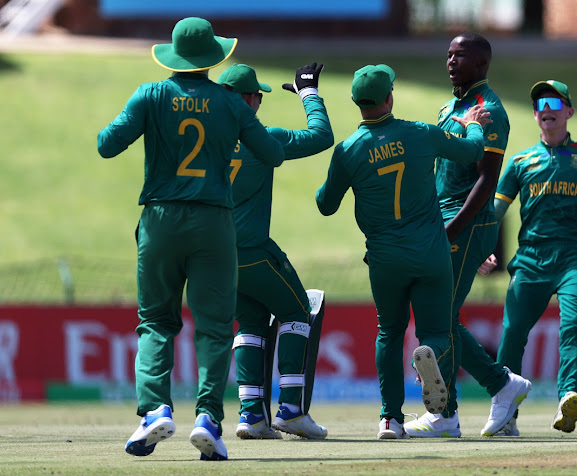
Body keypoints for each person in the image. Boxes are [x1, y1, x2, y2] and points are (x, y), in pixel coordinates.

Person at [97, 17, 284, 460]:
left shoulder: (151, 94)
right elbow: (272, 153)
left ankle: (154, 410)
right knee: (216, 327)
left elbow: (107, 144)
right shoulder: (231, 103)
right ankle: (208, 418)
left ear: (175, 56)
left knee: (156, 322)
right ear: (211, 58)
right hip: (215, 223)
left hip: (160, 219)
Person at [315, 64, 491, 440]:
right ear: (390, 96)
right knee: (437, 331)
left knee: (389, 333)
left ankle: (389, 420)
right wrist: (473, 121)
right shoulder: (420, 134)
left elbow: (325, 205)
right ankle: (430, 357)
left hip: (385, 259)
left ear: (355, 102)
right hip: (430, 253)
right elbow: (473, 150)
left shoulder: (348, 151)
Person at [478, 80, 577, 435]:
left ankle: (568, 396)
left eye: (555, 103)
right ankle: (505, 414)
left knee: (573, 326)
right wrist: (482, 248)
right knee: (512, 333)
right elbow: (495, 212)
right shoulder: (520, 161)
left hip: (574, 259)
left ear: (569, 112)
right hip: (529, 260)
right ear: (534, 115)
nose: (546, 109)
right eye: (540, 104)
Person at [404, 32, 531, 439]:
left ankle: (446, 416)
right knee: (440, 317)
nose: (450, 62)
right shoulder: (450, 107)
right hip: (441, 222)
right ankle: (501, 385)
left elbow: (487, 181)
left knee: (437, 319)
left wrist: (454, 229)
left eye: (460, 56)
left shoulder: (489, 110)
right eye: (448, 54)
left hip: (466, 223)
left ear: (482, 64)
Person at [216, 62, 333, 440]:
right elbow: (321, 136)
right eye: (257, 95)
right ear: (249, 100)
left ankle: (251, 415)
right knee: (297, 311)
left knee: (249, 325)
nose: (260, 102)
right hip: (253, 250)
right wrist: (309, 93)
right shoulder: (264, 138)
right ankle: (292, 410)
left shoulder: (201, 143)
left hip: (215, 255)